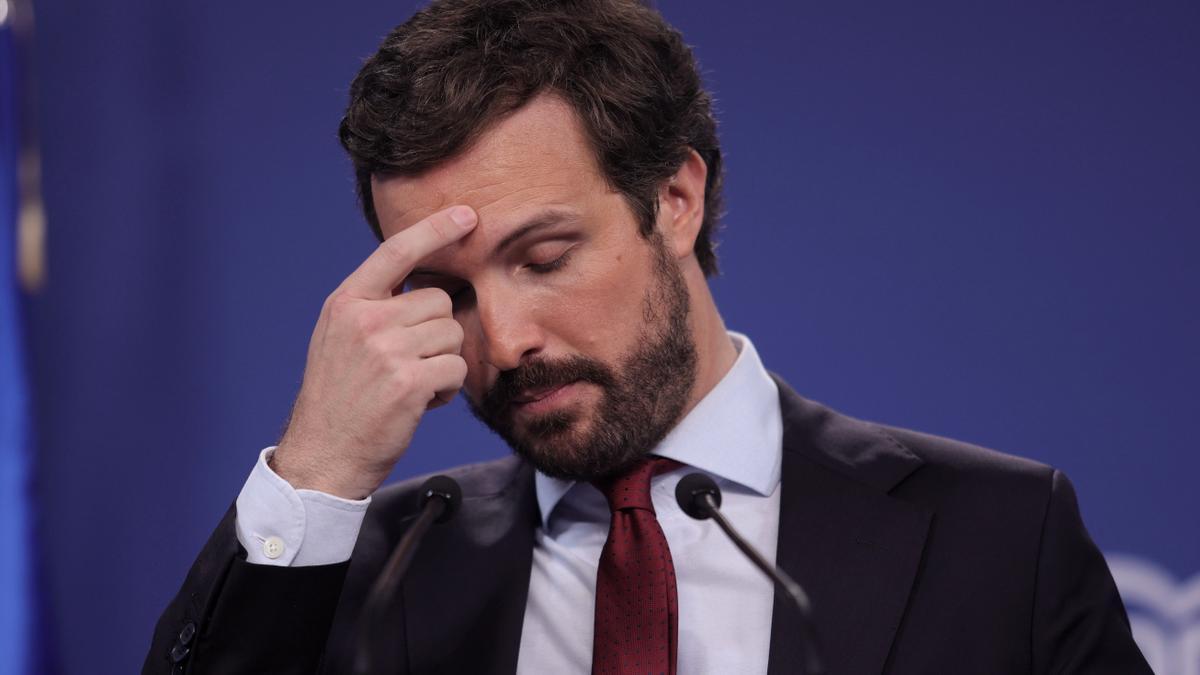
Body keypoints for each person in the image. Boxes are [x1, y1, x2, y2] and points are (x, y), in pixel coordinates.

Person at [144, 1, 1151, 673]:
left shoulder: (997, 537)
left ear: (674, 198)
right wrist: (317, 471)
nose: (503, 336)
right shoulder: (381, 567)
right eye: (445, 289)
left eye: (543, 257)